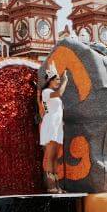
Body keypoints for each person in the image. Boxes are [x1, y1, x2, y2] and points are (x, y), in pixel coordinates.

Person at [40, 62, 68, 193]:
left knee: (56, 157)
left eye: (59, 80)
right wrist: (65, 81)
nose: (58, 81)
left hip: (57, 126)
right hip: (50, 125)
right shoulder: (46, 92)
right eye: (57, 79)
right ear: (50, 80)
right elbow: (59, 94)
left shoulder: (51, 92)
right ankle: (51, 186)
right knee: (50, 156)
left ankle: (57, 186)